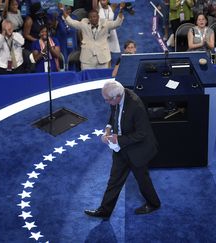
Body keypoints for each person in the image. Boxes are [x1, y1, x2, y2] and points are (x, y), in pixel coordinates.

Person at [84, 80, 161, 218]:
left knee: (143, 180)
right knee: (114, 180)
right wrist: (108, 129)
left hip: (137, 150)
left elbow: (142, 133)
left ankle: (154, 204)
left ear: (117, 97)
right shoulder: (117, 97)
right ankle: (104, 211)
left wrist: (117, 139)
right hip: (121, 148)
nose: (106, 102)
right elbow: (114, 113)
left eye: (107, 100)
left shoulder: (136, 105)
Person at [61, 3, 125, 70]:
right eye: (90, 17)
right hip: (87, 60)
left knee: (102, 79)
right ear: (88, 18)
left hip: (103, 58)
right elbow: (71, 22)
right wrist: (63, 10)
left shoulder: (105, 24)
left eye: (94, 16)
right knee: (87, 79)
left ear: (98, 17)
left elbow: (117, 23)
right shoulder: (84, 24)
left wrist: (121, 10)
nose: (93, 19)